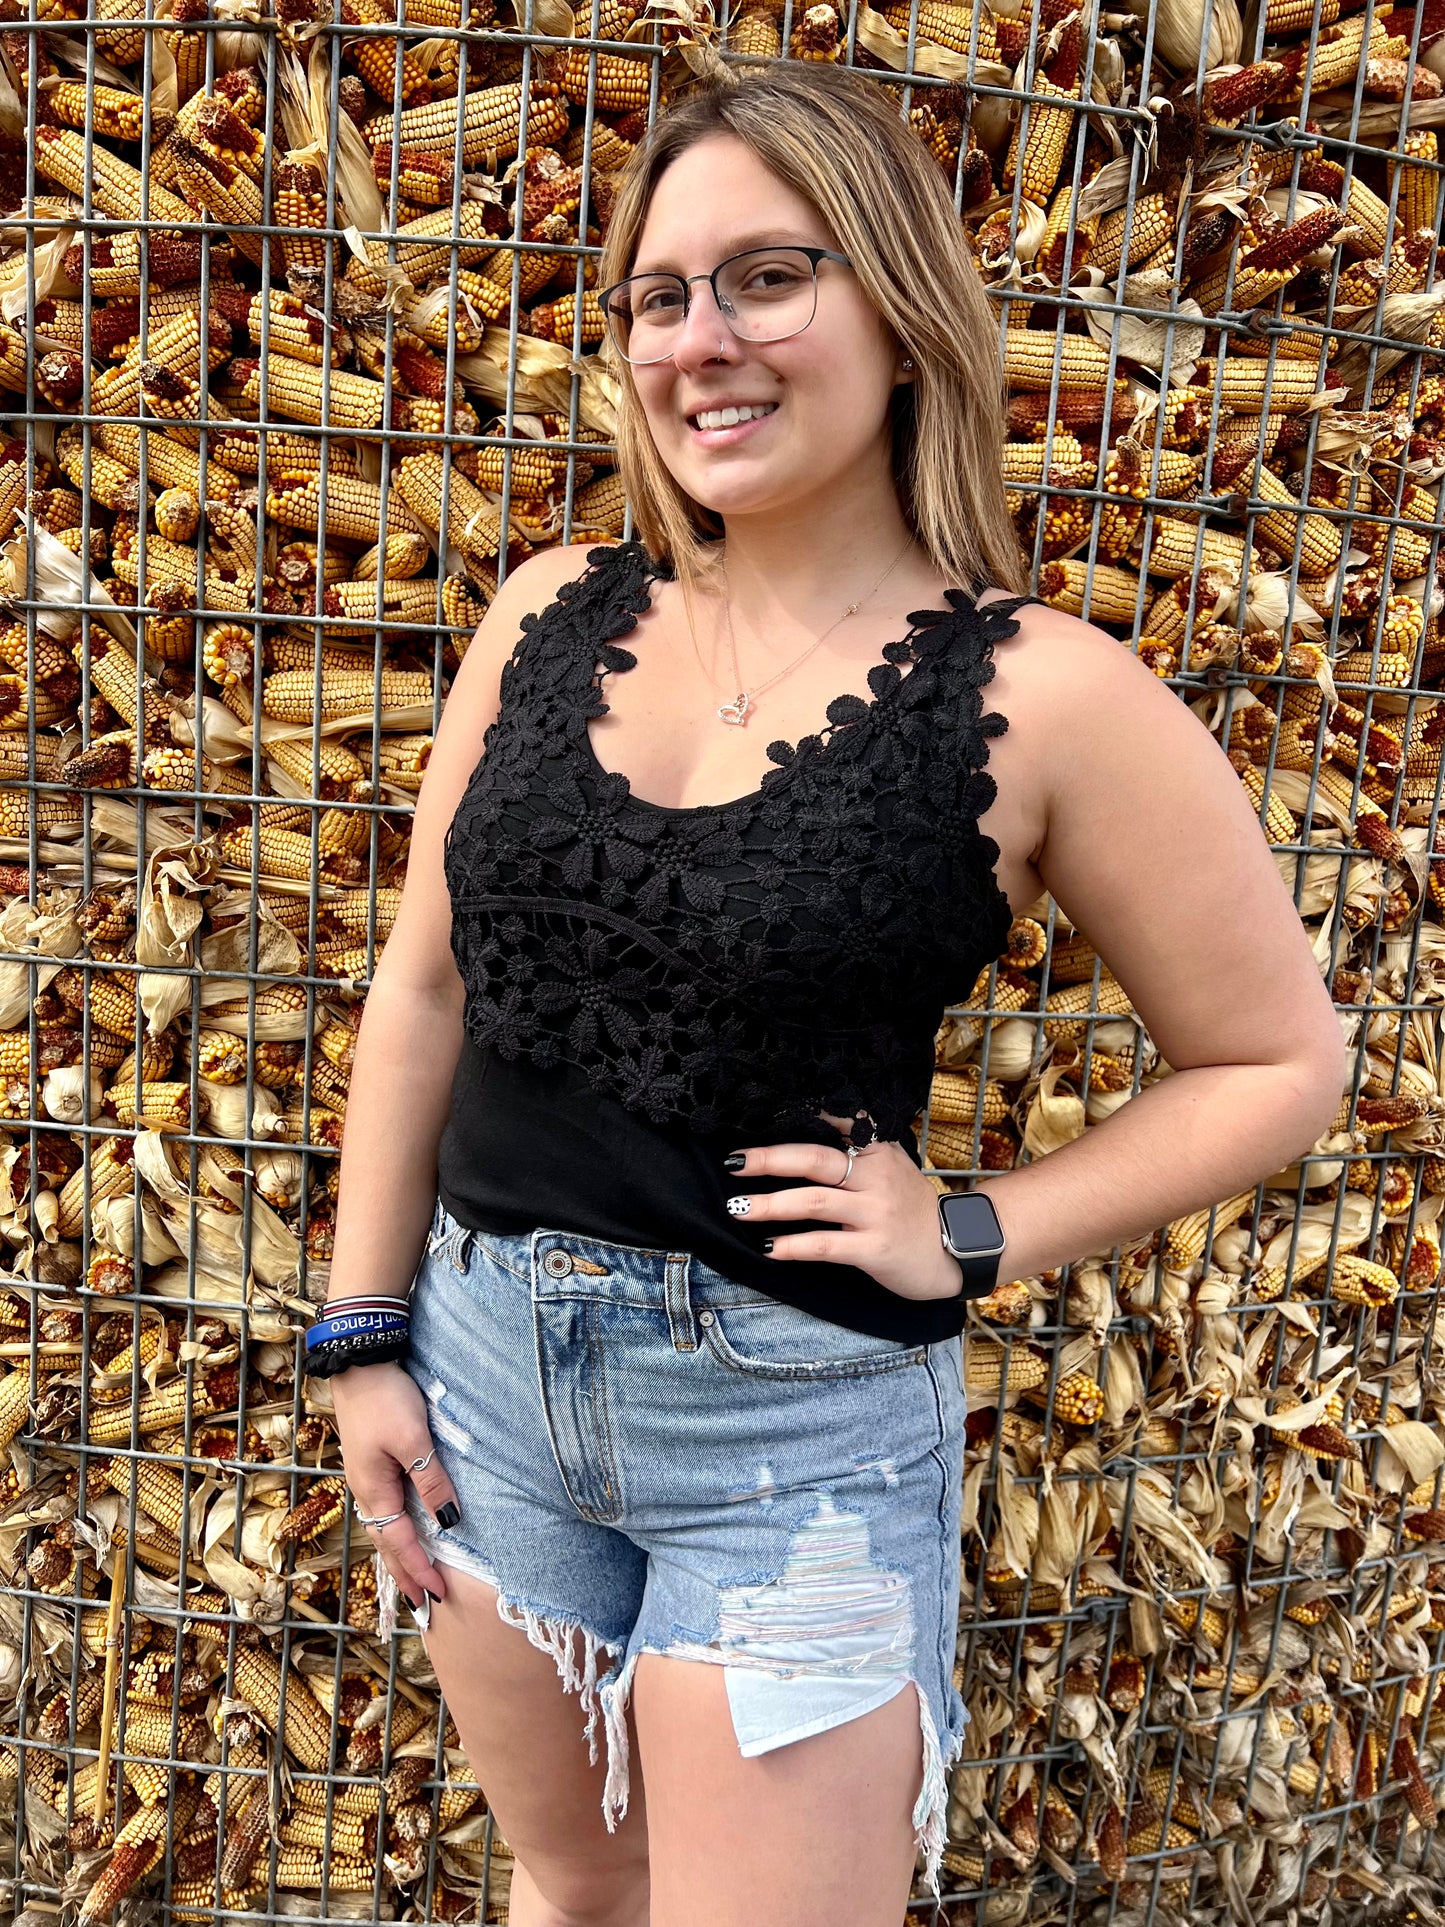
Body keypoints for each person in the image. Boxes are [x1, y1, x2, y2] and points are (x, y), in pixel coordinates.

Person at [321, 56, 1346, 1927]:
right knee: (573, 1896)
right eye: (657, 294)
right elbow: (424, 988)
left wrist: (970, 1223)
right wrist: (357, 1336)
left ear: (898, 312)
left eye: (766, 277)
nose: (700, 339)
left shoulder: (1042, 697)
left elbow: (1275, 1058)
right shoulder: (547, 613)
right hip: (480, 1389)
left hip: (782, 1440)